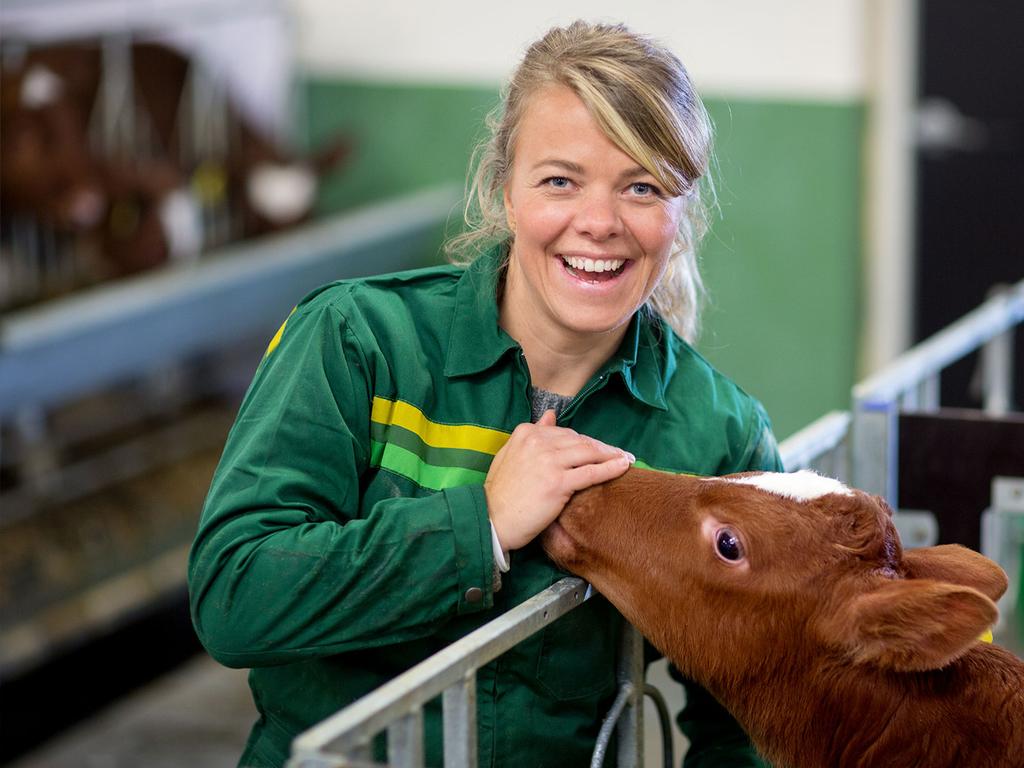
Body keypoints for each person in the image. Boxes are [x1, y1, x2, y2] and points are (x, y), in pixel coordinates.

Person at [188, 20, 782, 768]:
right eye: (560, 180)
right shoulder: (358, 340)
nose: (598, 223)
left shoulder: (717, 433)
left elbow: (755, 718)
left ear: (680, 213)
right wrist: (481, 528)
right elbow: (235, 597)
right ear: (503, 190)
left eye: (641, 187)